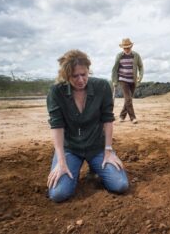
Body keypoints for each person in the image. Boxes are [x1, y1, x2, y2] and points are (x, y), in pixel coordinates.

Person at [46, 50, 129, 202]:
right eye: (74, 76)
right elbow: (56, 126)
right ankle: (73, 170)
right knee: (58, 194)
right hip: (70, 149)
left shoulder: (102, 86)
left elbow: (107, 119)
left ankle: (95, 168)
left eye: (83, 74)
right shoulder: (56, 92)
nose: (80, 80)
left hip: (97, 148)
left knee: (120, 185)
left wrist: (108, 150)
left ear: (88, 70)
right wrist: (61, 161)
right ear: (66, 75)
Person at [111, 38, 144, 124]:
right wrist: (114, 80)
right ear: (122, 48)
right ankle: (133, 118)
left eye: (128, 47)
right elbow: (115, 69)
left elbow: (141, 67)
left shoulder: (136, 55)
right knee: (128, 99)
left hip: (133, 81)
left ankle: (122, 116)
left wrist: (140, 76)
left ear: (131, 47)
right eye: (124, 48)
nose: (126, 49)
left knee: (128, 100)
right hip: (123, 79)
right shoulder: (119, 56)